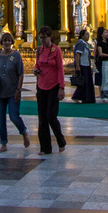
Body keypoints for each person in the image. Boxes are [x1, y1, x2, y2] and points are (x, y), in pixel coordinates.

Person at [0, 32, 29, 151]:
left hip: (13, 91)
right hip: (0, 92)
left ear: (12, 42)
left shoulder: (16, 56)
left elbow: (21, 73)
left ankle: (24, 132)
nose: (7, 43)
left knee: (14, 116)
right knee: (1, 119)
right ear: (1, 42)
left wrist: (19, 89)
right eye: (5, 40)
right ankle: (3, 143)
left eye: (9, 40)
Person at [34, 25, 66, 154]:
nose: (42, 40)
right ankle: (45, 147)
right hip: (41, 86)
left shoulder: (56, 50)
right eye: (40, 38)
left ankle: (61, 140)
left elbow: (60, 69)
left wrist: (61, 87)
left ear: (50, 37)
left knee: (51, 116)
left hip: (53, 86)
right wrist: (36, 70)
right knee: (42, 119)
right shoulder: (39, 50)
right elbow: (37, 63)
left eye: (44, 38)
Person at [70, 28, 95, 103]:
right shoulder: (80, 43)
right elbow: (78, 55)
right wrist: (78, 66)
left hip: (86, 65)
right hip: (82, 65)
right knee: (83, 82)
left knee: (86, 82)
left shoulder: (85, 44)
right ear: (82, 36)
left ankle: (86, 98)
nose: (88, 36)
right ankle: (76, 96)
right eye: (86, 34)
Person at [95, 27, 108, 102]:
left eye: (107, 32)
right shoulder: (100, 43)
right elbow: (100, 54)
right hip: (104, 62)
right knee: (105, 79)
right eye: (105, 32)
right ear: (101, 35)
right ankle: (104, 96)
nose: (106, 34)